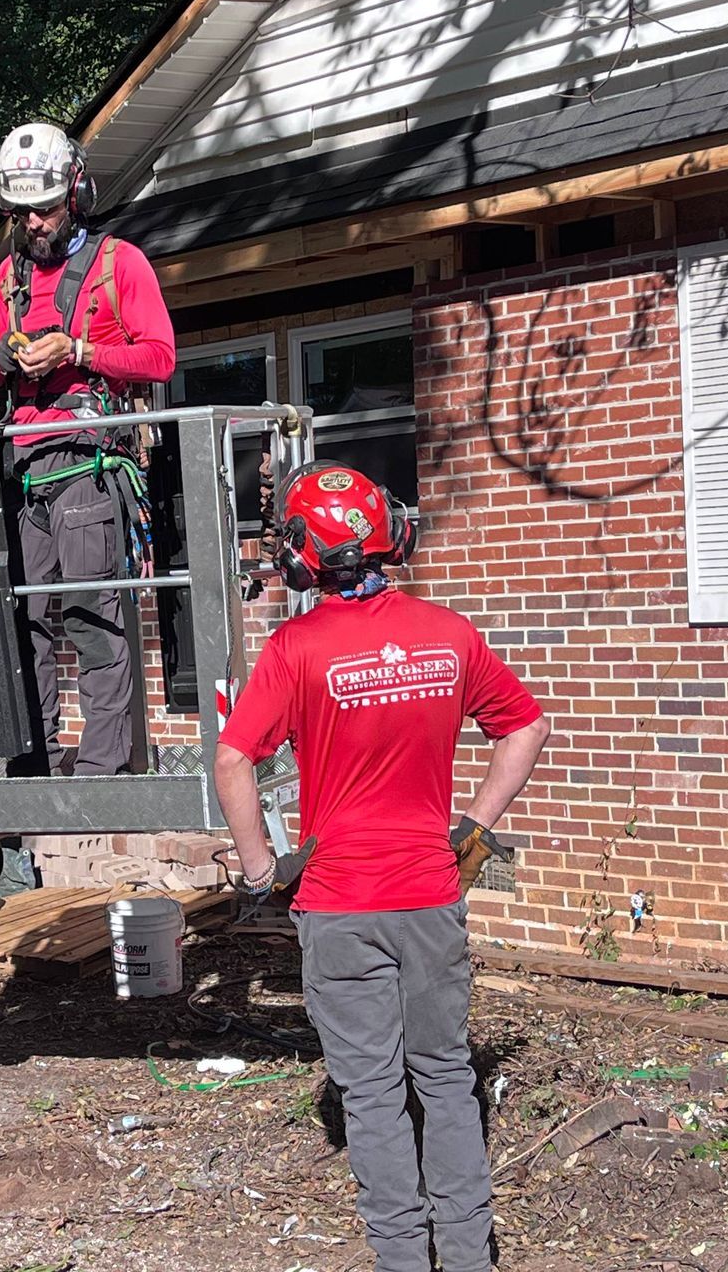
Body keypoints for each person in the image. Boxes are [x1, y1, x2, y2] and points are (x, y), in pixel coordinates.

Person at [212, 461, 550, 1272]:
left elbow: (233, 764)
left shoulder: (296, 648)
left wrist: (261, 871)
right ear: (384, 534)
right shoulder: (449, 633)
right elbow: (526, 728)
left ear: (304, 553)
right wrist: (474, 826)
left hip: (337, 905)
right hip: (430, 894)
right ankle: (468, 1257)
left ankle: (403, 1260)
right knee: (443, 1076)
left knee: (370, 1095)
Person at [0, 121, 176, 778]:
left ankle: (102, 774)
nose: (33, 222)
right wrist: (4, 355)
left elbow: (161, 356)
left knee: (91, 614)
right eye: (21, 210)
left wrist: (81, 350)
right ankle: (35, 766)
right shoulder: (9, 278)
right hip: (26, 468)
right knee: (23, 621)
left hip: (90, 460)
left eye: (45, 207)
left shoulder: (121, 264)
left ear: (75, 193)